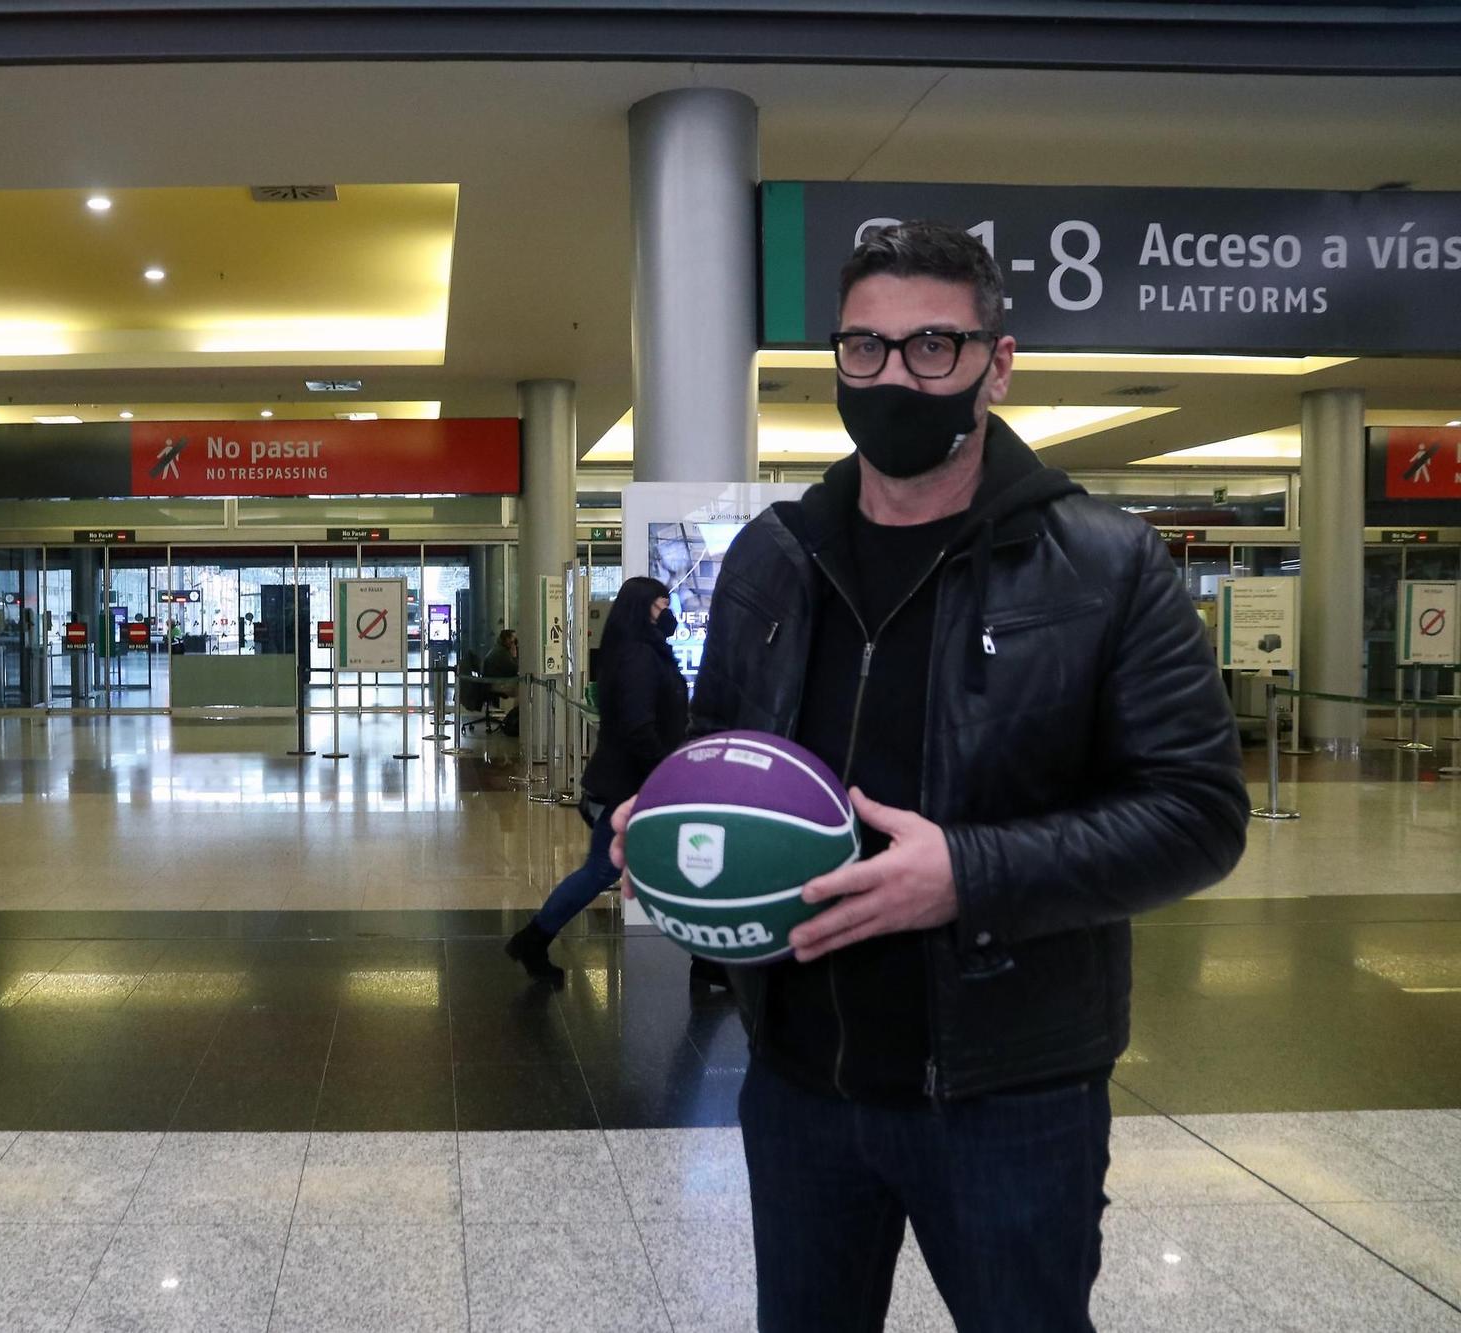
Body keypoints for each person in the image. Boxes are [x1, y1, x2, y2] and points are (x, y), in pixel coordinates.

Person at [613, 220, 1248, 1331]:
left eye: (930, 348)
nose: (892, 375)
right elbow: (720, 746)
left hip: (1009, 1090)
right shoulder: (776, 555)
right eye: (863, 347)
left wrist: (966, 873)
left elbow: (1196, 814)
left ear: (996, 364)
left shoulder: (1103, 564)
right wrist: (669, 828)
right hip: (801, 1076)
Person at [507, 578, 689, 985]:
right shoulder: (640, 657)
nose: (669, 615)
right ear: (642, 609)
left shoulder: (636, 652)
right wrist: (668, 772)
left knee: (665, 865)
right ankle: (533, 938)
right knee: (602, 869)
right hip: (631, 788)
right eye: (661, 607)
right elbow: (639, 726)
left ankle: (533, 939)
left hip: (632, 784)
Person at [480, 628, 520, 733]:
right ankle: (516, 719)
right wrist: (515, 655)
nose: (514, 643)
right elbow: (514, 669)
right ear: (507, 640)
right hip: (494, 684)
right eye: (513, 641)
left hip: (490, 683)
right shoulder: (501, 653)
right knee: (523, 690)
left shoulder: (498, 649)